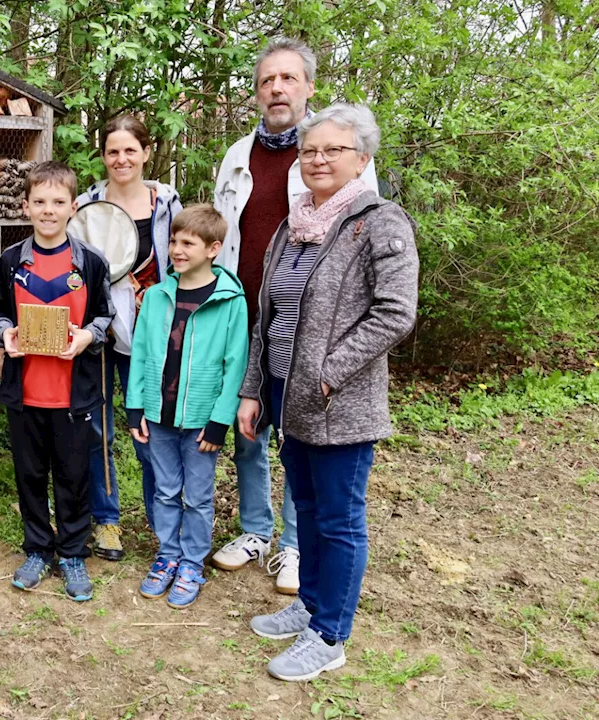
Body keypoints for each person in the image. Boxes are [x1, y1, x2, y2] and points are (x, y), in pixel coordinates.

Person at [238, 104, 417, 681]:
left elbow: (395, 313)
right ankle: (310, 605)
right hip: (289, 398)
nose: (317, 159)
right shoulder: (294, 227)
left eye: (332, 150)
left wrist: (328, 371)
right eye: (310, 149)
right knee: (309, 510)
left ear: (362, 159)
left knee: (340, 519)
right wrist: (253, 389)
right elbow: (266, 316)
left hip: (340, 404)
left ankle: (331, 635)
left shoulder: (380, 222)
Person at [210, 37, 379, 595]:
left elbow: (364, 255)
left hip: (311, 325)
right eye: (266, 80)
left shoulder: (335, 153)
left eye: (287, 78)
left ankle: (294, 545)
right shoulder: (238, 156)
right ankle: (255, 529)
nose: (276, 88)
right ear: (256, 92)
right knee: (249, 427)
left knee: (301, 435)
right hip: (243, 314)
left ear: (308, 86)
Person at [0, 162, 114, 602]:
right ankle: (38, 548)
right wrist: (6, 334)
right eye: (39, 202)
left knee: (74, 475)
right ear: (25, 207)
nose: (48, 210)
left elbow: (105, 316)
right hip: (25, 394)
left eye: (58, 202)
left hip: (73, 395)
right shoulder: (10, 261)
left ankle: (73, 552)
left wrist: (85, 337)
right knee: (30, 474)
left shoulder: (91, 264)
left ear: (73, 207)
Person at [126, 205, 248, 608]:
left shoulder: (229, 301)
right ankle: (168, 556)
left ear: (213, 248)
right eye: (174, 241)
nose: (177, 250)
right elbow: (141, 353)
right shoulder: (159, 295)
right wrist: (135, 406)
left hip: (199, 419)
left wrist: (219, 421)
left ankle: (192, 561)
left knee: (196, 495)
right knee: (164, 490)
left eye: (188, 243)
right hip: (158, 415)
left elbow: (236, 366)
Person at [76, 114, 183, 561]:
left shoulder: (166, 203)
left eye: (129, 150)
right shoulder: (86, 205)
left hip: (151, 336)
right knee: (98, 432)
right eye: (112, 151)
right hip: (99, 333)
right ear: (103, 156)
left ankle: (166, 528)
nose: (121, 159)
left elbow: (184, 265)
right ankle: (107, 521)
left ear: (145, 152)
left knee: (150, 429)